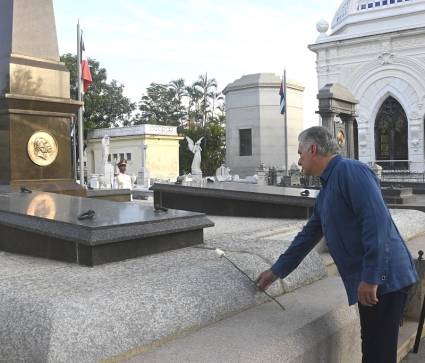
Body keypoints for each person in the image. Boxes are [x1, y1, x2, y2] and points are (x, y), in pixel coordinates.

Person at [256, 126, 418, 363]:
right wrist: (275, 272)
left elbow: (376, 223)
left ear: (313, 149)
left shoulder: (351, 171)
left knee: (377, 356)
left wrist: (371, 277)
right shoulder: (327, 189)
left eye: (301, 153)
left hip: (384, 281)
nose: (299, 161)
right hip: (375, 282)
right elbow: (306, 237)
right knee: (374, 352)